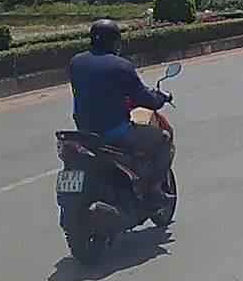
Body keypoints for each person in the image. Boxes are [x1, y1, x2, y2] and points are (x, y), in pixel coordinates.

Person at [68, 19, 173, 203]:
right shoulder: (121, 66)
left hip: (85, 133)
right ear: (115, 42)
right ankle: (155, 191)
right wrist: (161, 98)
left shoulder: (76, 63)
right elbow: (144, 98)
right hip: (115, 132)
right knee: (164, 139)